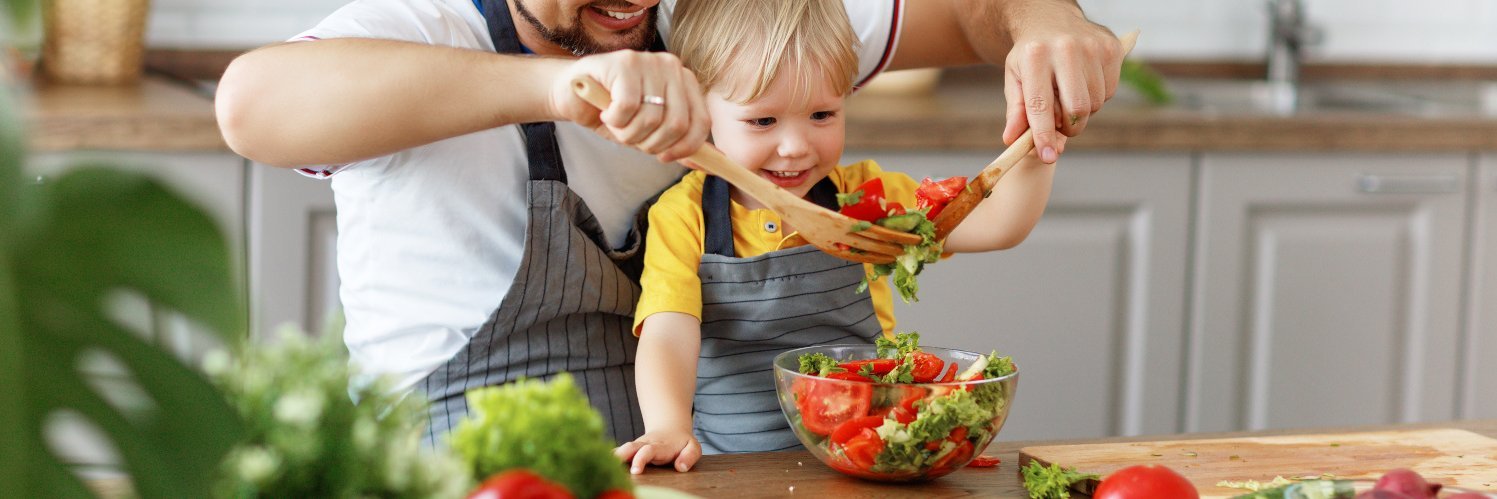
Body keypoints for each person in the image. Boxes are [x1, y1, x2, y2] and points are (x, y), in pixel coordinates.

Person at [214, 0, 1123, 446]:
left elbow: (974, 16)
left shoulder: (719, 25)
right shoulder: (418, 24)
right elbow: (251, 106)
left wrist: (1046, 20)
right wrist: (551, 88)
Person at [611, 0, 1054, 474]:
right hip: (734, 468)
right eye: (763, 121)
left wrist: (1037, 147)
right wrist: (667, 427)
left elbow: (1000, 223)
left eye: (822, 114)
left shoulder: (867, 198)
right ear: (698, 110)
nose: (797, 146)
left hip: (870, 458)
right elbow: (669, 333)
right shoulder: (683, 215)